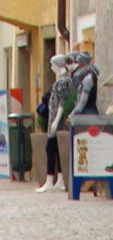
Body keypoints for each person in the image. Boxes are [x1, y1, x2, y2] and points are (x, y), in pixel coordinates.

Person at [36, 54, 72, 193]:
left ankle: (50, 180)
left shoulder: (62, 82)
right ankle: (60, 180)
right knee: (57, 150)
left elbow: (62, 102)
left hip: (57, 119)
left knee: (50, 149)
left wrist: (56, 120)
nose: (51, 67)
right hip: (57, 118)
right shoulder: (65, 80)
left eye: (52, 65)